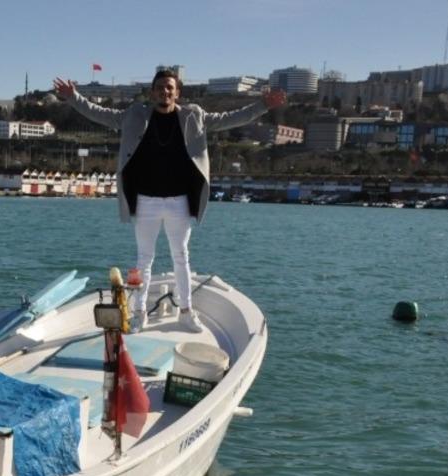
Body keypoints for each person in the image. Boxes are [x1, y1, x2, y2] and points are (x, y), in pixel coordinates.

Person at [53, 70, 286, 331]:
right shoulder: (134, 115)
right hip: (145, 202)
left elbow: (230, 119)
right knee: (144, 259)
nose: (165, 91)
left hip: (179, 202)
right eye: (160, 87)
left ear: (178, 93)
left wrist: (264, 104)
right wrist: (73, 97)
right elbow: (100, 114)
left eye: (170, 88)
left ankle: (186, 312)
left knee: (181, 257)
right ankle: (139, 312)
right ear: (152, 92)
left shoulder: (193, 116)